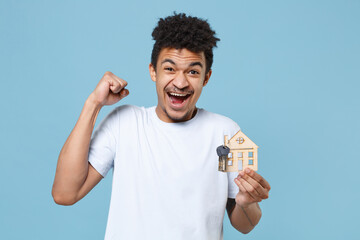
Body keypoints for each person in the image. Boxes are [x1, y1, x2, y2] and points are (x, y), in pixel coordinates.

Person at [52, 13, 271, 240]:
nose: (180, 82)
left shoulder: (228, 132)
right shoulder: (123, 122)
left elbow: (246, 225)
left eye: (193, 71)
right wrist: (93, 104)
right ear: (153, 71)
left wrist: (245, 202)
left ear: (206, 77)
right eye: (169, 69)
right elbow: (64, 194)